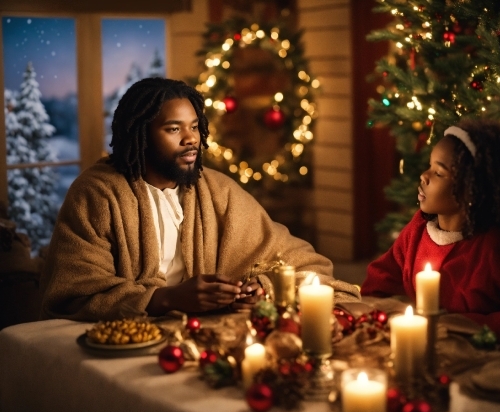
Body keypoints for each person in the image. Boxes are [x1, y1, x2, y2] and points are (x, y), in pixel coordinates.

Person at [39, 77, 360, 321]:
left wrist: (261, 287)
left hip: (204, 334)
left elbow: (305, 263)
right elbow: (75, 291)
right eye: (174, 129)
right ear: (140, 134)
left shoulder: (216, 190)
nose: (191, 138)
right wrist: (166, 299)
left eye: (194, 127)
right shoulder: (98, 195)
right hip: (120, 345)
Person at [361, 118, 500, 344]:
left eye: (439, 173)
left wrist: (457, 325)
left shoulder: (499, 247)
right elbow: (378, 284)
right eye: (429, 166)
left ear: (472, 190)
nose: (424, 176)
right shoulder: (418, 228)